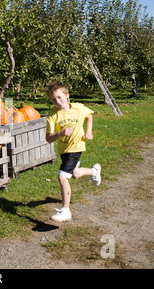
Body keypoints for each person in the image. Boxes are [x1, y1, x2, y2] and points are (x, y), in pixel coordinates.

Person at [46, 81, 102, 222]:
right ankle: (94, 171)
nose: (57, 101)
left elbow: (89, 116)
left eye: (60, 97)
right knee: (75, 174)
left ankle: (65, 211)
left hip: (76, 148)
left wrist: (88, 132)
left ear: (67, 95)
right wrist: (60, 134)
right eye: (53, 99)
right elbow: (48, 138)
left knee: (62, 177)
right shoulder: (52, 115)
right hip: (64, 150)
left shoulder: (78, 108)